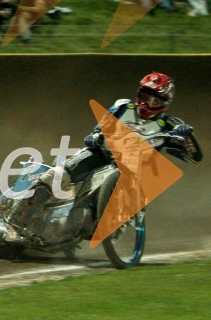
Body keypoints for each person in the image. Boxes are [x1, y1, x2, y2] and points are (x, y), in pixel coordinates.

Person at [11, 73, 202, 236]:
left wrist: (186, 136)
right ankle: (18, 221)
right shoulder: (123, 107)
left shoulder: (170, 126)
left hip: (134, 175)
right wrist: (95, 136)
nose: (147, 103)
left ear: (165, 103)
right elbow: (101, 126)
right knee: (55, 176)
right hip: (100, 155)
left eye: (154, 100)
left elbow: (194, 156)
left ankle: (97, 223)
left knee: (94, 214)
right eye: (144, 96)